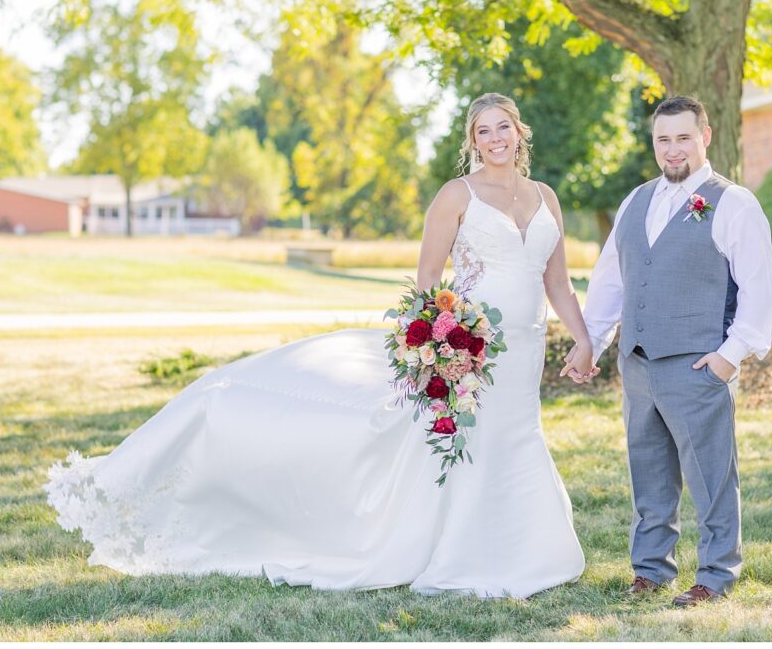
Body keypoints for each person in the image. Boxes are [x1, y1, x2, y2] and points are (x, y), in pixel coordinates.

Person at [45, 93, 591, 599]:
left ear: (521, 133)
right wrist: (439, 345)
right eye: (482, 131)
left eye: (503, 128)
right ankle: (450, 548)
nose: (495, 138)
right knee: (462, 442)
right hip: (468, 350)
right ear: (472, 141)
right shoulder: (457, 195)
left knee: (516, 435)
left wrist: (583, 340)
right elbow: (427, 280)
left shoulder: (545, 198)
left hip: (527, 349)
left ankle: (526, 548)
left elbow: (558, 283)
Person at [563, 95, 772, 606]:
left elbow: (758, 287)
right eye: (663, 139)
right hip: (638, 362)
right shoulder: (635, 201)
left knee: (710, 475)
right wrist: (592, 342)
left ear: (705, 137)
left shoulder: (735, 202)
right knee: (648, 470)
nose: (673, 149)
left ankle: (717, 574)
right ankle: (651, 570)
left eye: (683, 137)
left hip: (699, 364)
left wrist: (731, 355)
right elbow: (612, 280)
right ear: (654, 144)